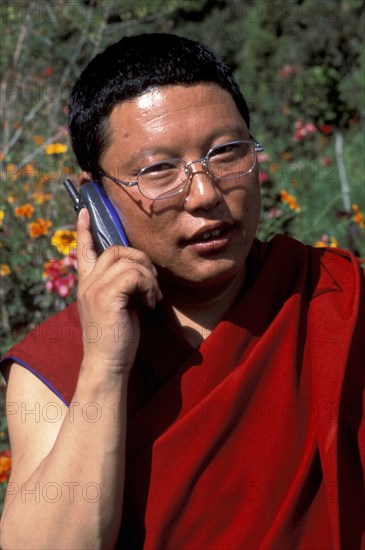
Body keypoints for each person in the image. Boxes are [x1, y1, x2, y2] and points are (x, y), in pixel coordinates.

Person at [0, 33, 364, 549]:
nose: (206, 193)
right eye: (158, 171)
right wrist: (104, 365)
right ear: (95, 202)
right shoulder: (58, 362)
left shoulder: (336, 298)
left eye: (228, 153)